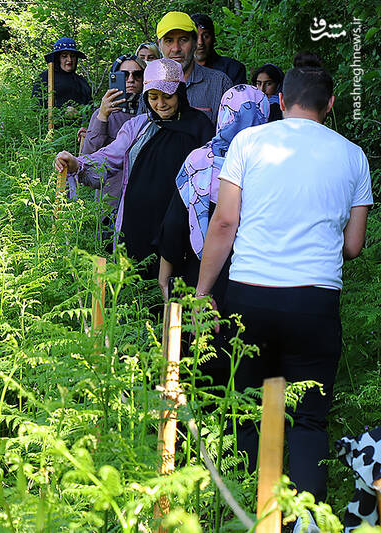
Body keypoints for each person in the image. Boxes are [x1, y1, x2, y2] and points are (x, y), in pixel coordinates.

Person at [195, 66, 372, 521]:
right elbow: (353, 245)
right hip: (314, 300)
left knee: (248, 407)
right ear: (330, 105)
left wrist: (202, 291)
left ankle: (249, 515)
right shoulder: (353, 157)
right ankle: (307, 523)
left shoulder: (248, 144)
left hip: (249, 294)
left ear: (280, 101)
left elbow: (224, 223)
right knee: (309, 419)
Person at [55, 59, 213, 272]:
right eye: (153, 97)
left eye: (168, 96)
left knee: (177, 289)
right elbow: (109, 157)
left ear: (180, 93)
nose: (161, 104)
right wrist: (77, 163)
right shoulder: (138, 127)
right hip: (135, 226)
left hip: (181, 225)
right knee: (136, 288)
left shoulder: (199, 127)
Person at [158, 84, 269, 304]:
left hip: (199, 275)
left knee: (202, 337)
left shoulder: (199, 161)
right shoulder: (272, 164)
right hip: (257, 279)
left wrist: (164, 276)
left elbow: (175, 224)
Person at [68, 55, 146, 206]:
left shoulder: (153, 111)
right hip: (110, 201)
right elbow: (88, 157)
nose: (130, 79)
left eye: (137, 74)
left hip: (142, 197)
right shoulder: (104, 112)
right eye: (123, 75)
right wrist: (102, 116)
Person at [155, 11, 233, 125]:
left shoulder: (219, 83)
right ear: (159, 45)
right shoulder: (151, 83)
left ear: (195, 42)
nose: (176, 48)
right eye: (169, 41)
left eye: (183, 40)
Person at [32, 37, 92, 113]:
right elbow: (36, 107)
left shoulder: (81, 81)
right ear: (58, 58)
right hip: (54, 123)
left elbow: (90, 108)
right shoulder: (45, 78)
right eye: (64, 56)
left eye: (72, 56)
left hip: (82, 124)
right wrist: (62, 112)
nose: (69, 60)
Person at [190, 13, 247, 85]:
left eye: (206, 36)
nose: (200, 42)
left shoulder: (233, 69)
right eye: (195, 37)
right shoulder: (182, 71)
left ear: (213, 38)